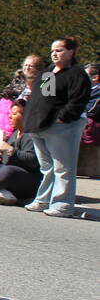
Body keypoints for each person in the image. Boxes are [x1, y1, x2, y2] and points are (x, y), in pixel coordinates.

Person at [23, 36, 91, 216]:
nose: (54, 54)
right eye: (53, 50)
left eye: (59, 50)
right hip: (40, 127)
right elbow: (44, 98)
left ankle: (63, 205)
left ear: (71, 51)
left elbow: (78, 100)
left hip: (62, 127)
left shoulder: (76, 73)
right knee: (47, 167)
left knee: (63, 168)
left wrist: (62, 118)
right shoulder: (49, 72)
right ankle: (43, 200)